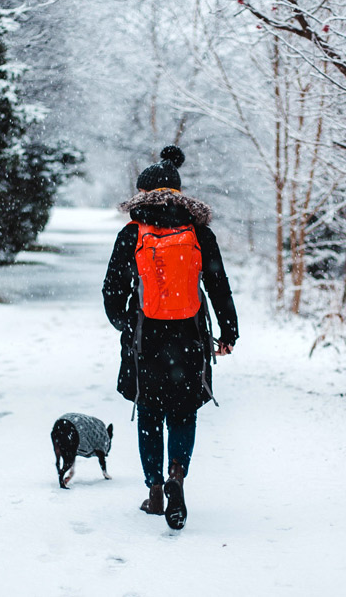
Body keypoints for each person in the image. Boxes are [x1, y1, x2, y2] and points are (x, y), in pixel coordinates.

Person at [102, 145, 238, 530]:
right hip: (190, 338)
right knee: (182, 412)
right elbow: (218, 286)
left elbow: (111, 291)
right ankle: (178, 473)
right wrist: (229, 332)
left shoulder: (132, 233)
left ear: (142, 195)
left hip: (146, 340)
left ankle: (155, 489)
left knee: (149, 413)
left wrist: (125, 325)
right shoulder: (198, 234)